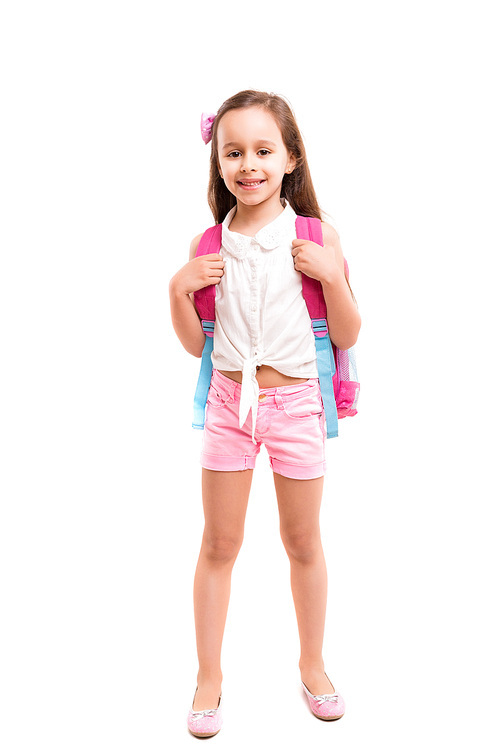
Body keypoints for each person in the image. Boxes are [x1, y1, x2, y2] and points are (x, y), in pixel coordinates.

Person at [169, 90, 361, 738]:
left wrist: (332, 277)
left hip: (297, 402)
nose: (247, 164)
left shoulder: (315, 237)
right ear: (218, 163)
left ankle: (312, 664)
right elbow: (199, 344)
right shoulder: (208, 243)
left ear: (289, 158)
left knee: (302, 541)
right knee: (219, 543)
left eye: (261, 150)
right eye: (233, 152)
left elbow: (349, 330)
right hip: (229, 404)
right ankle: (209, 674)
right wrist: (178, 288)